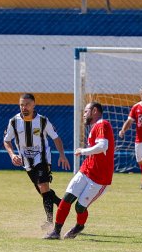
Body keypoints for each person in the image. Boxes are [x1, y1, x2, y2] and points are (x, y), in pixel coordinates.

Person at [47, 102, 115, 240]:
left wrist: (82, 151)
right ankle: (56, 232)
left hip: (99, 178)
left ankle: (79, 226)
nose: (83, 115)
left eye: (86, 111)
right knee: (66, 199)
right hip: (86, 170)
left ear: (94, 111)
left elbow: (103, 146)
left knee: (80, 207)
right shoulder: (95, 126)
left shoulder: (103, 124)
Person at [3, 93, 71, 229]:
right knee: (42, 191)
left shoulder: (43, 121)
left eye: (27, 104)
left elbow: (56, 138)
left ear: (34, 105)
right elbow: (6, 140)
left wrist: (62, 155)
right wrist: (12, 155)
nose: (24, 107)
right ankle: (61, 203)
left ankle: (50, 222)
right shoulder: (14, 122)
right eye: (21, 104)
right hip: (26, 162)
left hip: (43, 158)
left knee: (43, 186)